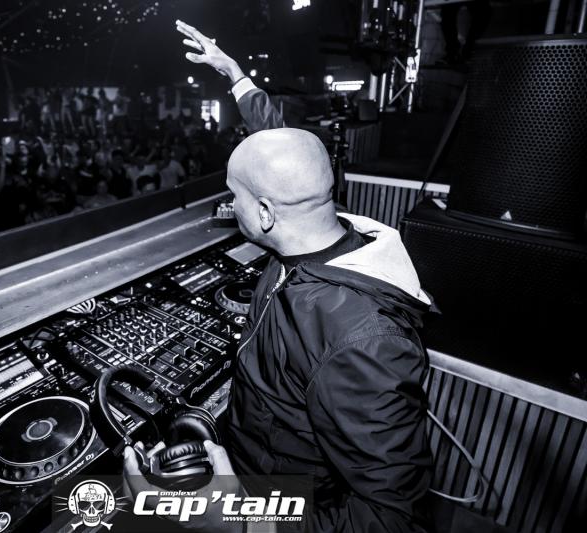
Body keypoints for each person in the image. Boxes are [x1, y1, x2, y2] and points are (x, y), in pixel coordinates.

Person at [123, 20, 434, 533]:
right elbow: (284, 149)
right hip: (248, 457)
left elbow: (393, 520)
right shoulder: (314, 221)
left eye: (235, 196)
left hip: (280, 501)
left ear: (266, 213)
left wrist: (241, 523)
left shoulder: (364, 341)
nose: (230, 204)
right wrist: (235, 76)